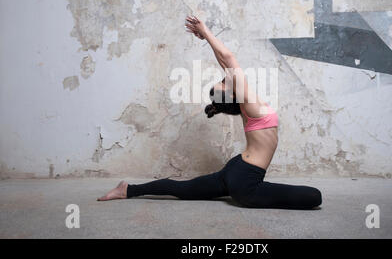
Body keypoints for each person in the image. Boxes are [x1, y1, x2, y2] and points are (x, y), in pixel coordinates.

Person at [97, 16, 322, 210]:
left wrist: (207, 40)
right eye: (224, 83)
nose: (226, 78)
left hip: (237, 170)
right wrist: (205, 32)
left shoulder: (249, 104)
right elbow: (229, 59)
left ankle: (128, 190)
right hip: (245, 182)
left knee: (182, 189)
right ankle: (127, 190)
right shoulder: (249, 103)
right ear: (231, 95)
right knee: (314, 197)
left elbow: (226, 63)